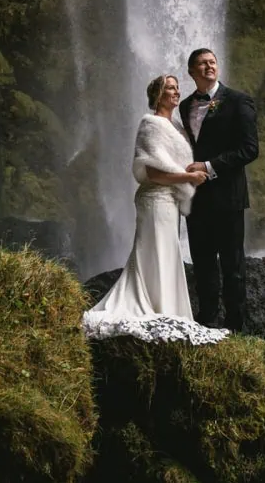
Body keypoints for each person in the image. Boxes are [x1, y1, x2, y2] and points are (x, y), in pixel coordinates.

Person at [81, 74, 227, 344]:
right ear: (158, 94)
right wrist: (188, 179)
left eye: (176, 87)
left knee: (166, 251)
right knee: (155, 251)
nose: (176, 91)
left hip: (170, 201)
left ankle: (167, 309)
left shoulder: (178, 128)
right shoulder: (150, 124)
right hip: (155, 198)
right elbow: (152, 171)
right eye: (170, 88)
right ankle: (157, 308)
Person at [179, 48, 260, 333]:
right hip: (196, 198)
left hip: (228, 197)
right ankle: (207, 320)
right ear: (191, 72)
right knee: (202, 261)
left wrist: (209, 166)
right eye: (201, 64)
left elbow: (250, 149)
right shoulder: (185, 105)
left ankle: (236, 326)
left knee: (232, 264)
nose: (208, 66)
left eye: (212, 62)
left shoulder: (238, 101)